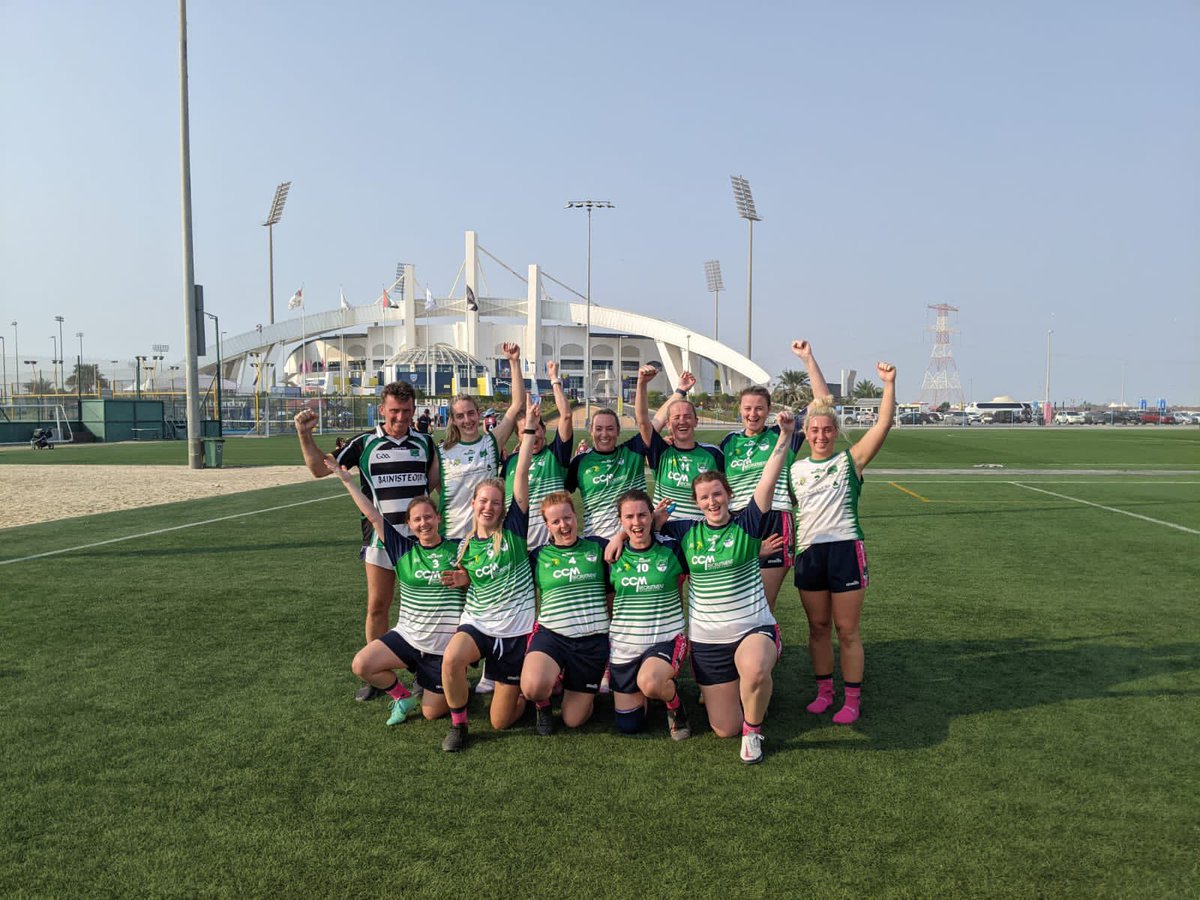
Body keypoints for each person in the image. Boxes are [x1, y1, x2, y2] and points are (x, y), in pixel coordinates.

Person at [610, 410, 796, 765]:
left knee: (755, 668)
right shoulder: (684, 534)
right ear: (696, 503)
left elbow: (767, 482)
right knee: (724, 727)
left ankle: (754, 732)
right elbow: (642, 525)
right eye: (704, 498)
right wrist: (620, 533)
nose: (712, 502)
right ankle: (746, 697)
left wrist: (784, 437)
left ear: (728, 495)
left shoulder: (747, 523)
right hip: (708, 643)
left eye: (717, 494)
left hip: (751, 628)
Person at [295, 381, 438, 701]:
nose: (401, 416)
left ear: (414, 410)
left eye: (406, 410)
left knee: (426, 608)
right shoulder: (364, 443)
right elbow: (320, 469)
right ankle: (379, 677)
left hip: (422, 541)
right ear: (382, 410)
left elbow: (435, 484)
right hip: (380, 539)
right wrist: (305, 435)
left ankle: (425, 671)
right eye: (394, 410)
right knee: (378, 606)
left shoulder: (426, 442)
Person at [791, 362, 896, 725]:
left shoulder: (851, 461)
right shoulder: (794, 469)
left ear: (836, 432)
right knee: (818, 628)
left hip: (845, 551)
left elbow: (883, 425)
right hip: (809, 554)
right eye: (814, 430)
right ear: (806, 432)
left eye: (827, 430)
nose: (820, 435)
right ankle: (825, 692)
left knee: (847, 630)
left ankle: (852, 699)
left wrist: (888, 384)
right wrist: (808, 360)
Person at [436, 403, 539, 752]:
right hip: (480, 625)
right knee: (451, 660)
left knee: (500, 721)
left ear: (503, 506)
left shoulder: (514, 529)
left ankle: (527, 695)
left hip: (515, 631)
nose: (489, 507)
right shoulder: (464, 546)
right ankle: (459, 725)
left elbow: (521, 473)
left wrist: (527, 434)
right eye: (484, 501)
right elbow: (471, 579)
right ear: (474, 503)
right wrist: (464, 580)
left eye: (496, 502)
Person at [324, 472, 464, 726]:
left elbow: (483, 579)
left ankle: (453, 675)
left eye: (428, 517)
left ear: (439, 518)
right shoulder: (403, 549)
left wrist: (465, 579)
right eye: (417, 519)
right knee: (362, 665)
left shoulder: (459, 549)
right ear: (410, 524)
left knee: (431, 713)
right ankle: (403, 697)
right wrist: (346, 480)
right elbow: (374, 516)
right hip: (408, 637)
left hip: (442, 647)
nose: (424, 523)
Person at [720, 340, 831, 610]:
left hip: (775, 519)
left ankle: (766, 648)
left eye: (759, 408)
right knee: (732, 602)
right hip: (737, 521)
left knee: (762, 604)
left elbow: (823, 404)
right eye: (747, 408)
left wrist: (807, 358)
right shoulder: (728, 443)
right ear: (740, 410)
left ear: (767, 410)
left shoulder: (784, 433)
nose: (752, 413)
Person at [522, 484, 611, 736]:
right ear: (547, 526)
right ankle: (543, 704)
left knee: (574, 720)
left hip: (592, 642)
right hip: (552, 636)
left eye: (568, 517)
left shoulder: (598, 547)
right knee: (532, 687)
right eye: (556, 521)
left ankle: (571, 682)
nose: (564, 525)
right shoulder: (537, 556)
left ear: (576, 516)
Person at [567, 366, 694, 540]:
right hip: (596, 544)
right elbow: (560, 496)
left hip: (633, 543)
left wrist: (680, 391)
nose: (604, 434)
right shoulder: (580, 462)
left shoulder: (632, 451)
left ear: (618, 431)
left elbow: (655, 421)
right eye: (599, 429)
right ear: (591, 431)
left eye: (610, 429)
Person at [606, 489, 692, 741]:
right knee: (629, 724)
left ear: (652, 516)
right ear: (620, 520)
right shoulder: (611, 555)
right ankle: (649, 688)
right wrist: (618, 537)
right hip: (625, 648)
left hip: (665, 640)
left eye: (642, 515)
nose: (636, 522)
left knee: (651, 682)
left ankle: (675, 706)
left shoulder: (673, 548)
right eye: (629, 517)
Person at [437, 343, 526, 541]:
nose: (467, 420)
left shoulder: (492, 443)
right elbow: (432, 487)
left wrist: (514, 362)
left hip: (486, 537)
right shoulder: (441, 452)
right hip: (452, 537)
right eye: (460, 416)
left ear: (479, 414)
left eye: (470, 413)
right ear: (453, 419)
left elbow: (517, 404)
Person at [635, 367, 723, 523]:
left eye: (687, 417)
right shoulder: (661, 452)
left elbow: (727, 493)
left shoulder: (713, 454)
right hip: (665, 531)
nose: (682, 421)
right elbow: (644, 423)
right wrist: (642, 383)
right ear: (668, 424)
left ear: (696, 421)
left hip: (700, 535)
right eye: (676, 418)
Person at [502, 361, 573, 549]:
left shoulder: (555, 455)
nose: (532, 435)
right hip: (517, 550)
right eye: (527, 430)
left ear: (543, 429)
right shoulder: (510, 463)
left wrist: (554, 379)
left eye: (536, 428)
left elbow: (566, 416)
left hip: (550, 548)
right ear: (518, 437)